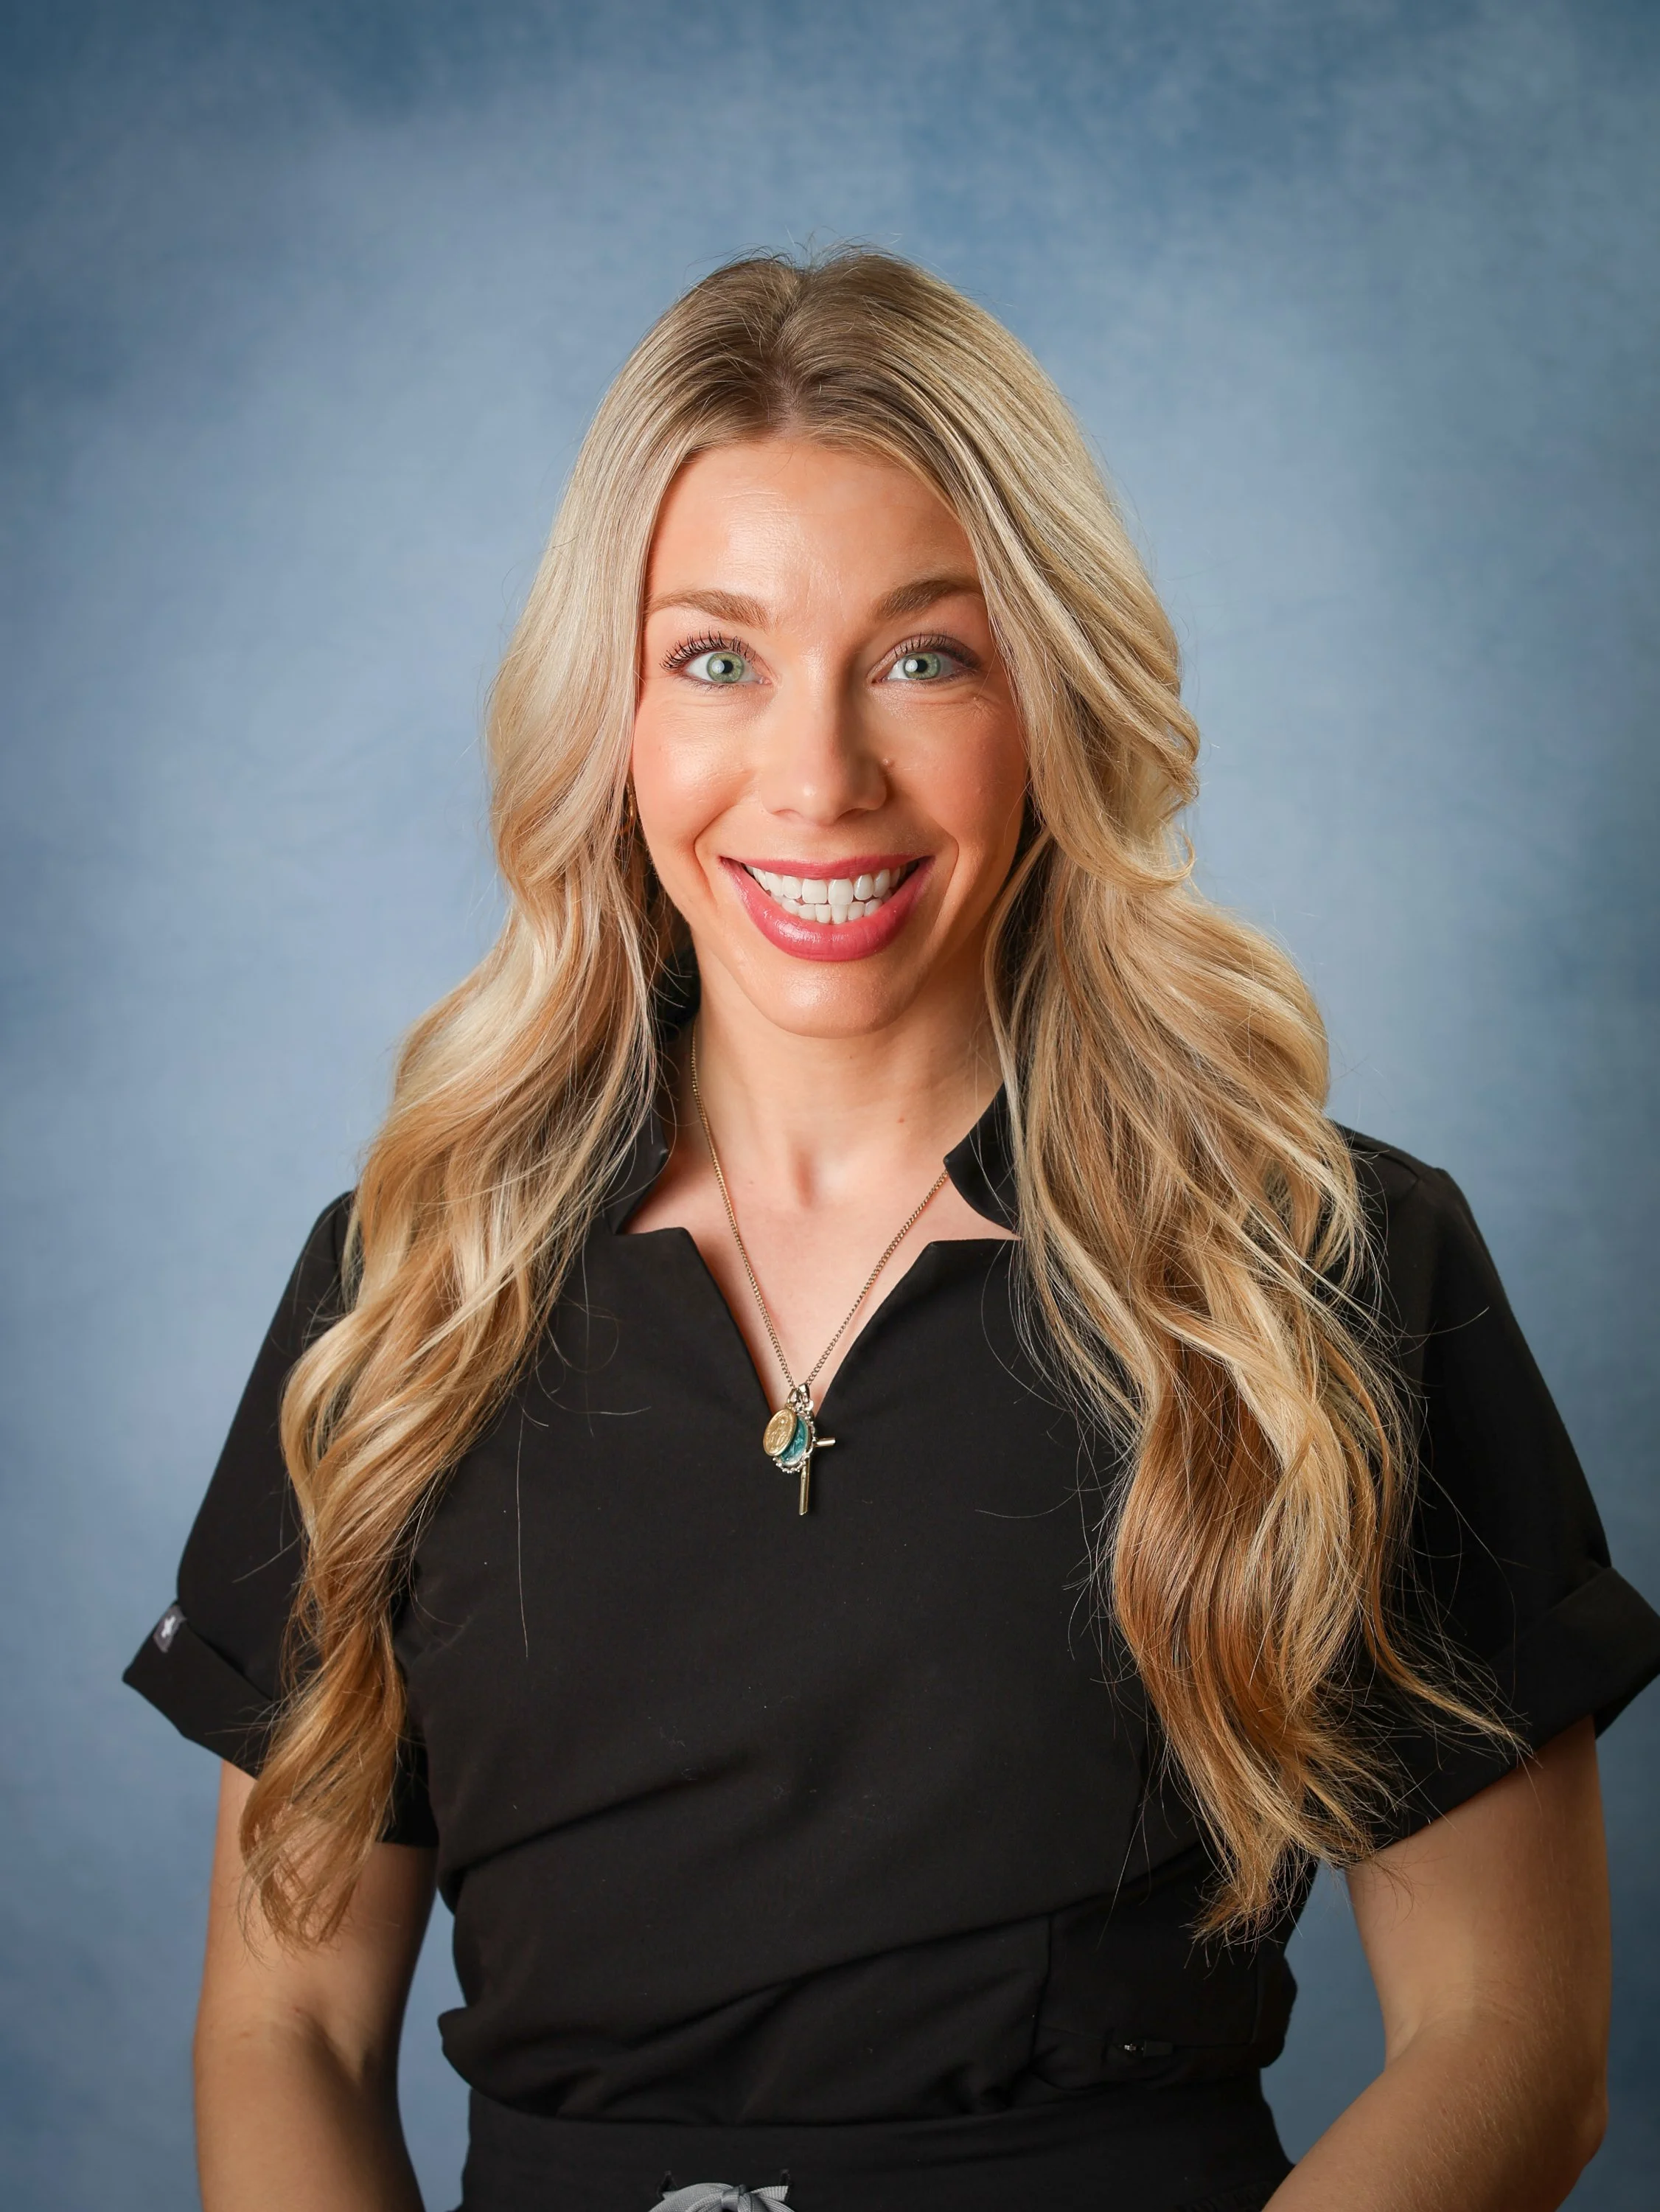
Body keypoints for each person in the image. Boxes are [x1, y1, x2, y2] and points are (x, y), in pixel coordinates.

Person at [126, 248, 1660, 2212]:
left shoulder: (1316, 1268)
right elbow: (287, 2030)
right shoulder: (411, 1291)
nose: (819, 780)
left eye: (926, 658)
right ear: (611, 711)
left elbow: (1507, 2048)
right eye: (718, 659)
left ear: (1054, 699)